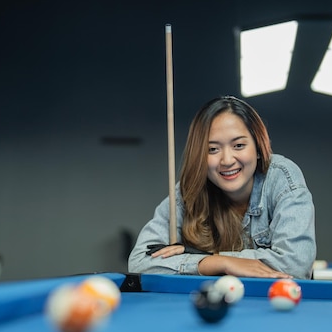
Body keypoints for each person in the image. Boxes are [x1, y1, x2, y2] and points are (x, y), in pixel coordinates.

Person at [128, 96, 316, 279]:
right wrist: (220, 263)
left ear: (258, 148)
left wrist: (208, 258)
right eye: (212, 149)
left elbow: (296, 265)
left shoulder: (281, 176)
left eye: (239, 145)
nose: (227, 160)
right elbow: (139, 263)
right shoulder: (190, 190)